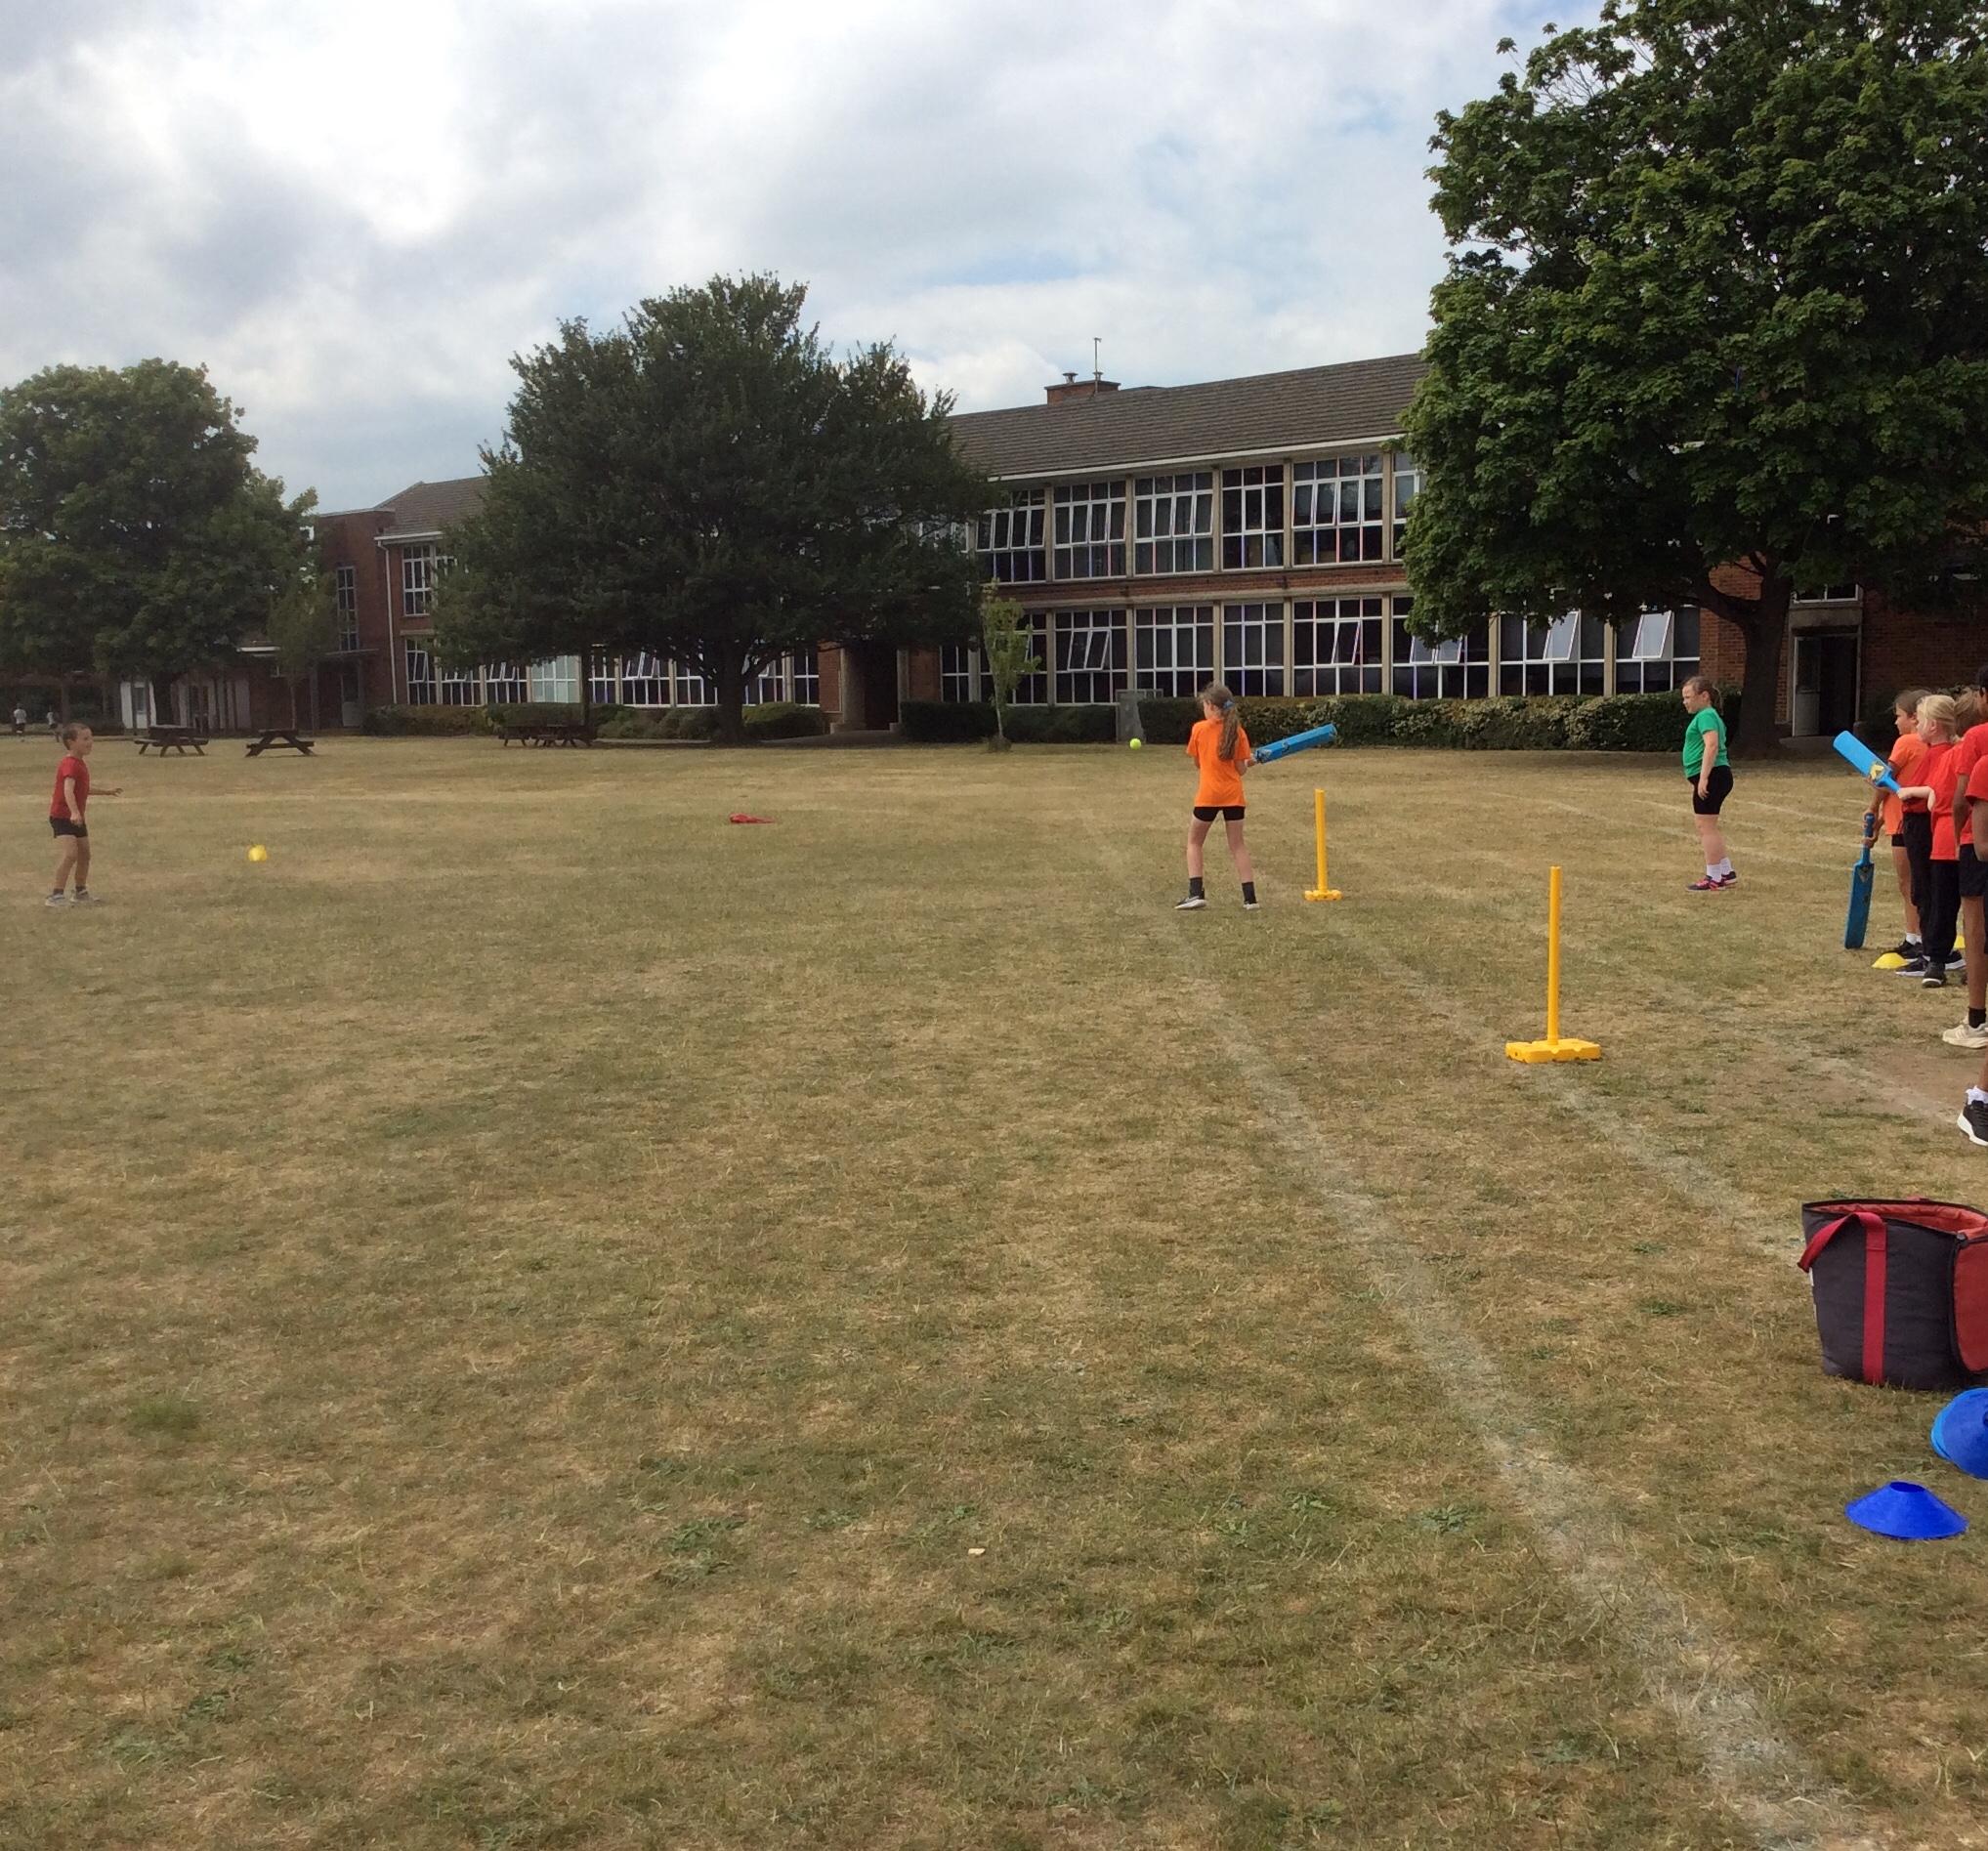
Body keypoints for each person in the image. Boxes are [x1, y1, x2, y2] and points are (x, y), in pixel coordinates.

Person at [1893, 694, 1961, 989]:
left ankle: (1934, 952)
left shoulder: (1944, 754)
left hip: (1926, 826)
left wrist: (1910, 792)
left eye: (1919, 720)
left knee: (1929, 890)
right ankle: (1932, 949)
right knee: (1925, 889)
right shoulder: (1934, 752)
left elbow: (1936, 792)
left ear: (1933, 725)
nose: (1915, 725)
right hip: (1921, 824)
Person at [1176, 682, 1258, 911]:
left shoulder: (1199, 729)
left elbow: (1198, 763)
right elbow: (1240, 769)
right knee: (1238, 845)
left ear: (1211, 706)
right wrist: (1249, 762)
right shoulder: (1238, 731)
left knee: (1194, 842)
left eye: (1204, 705)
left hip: (1208, 796)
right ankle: (1250, 898)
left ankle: (1195, 893)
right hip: (1234, 796)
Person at [1947, 667, 1988, 1050]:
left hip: (1980, 843)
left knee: (1975, 929)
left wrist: (1961, 833)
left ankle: (1977, 1017)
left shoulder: (1977, 737)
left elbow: (1962, 798)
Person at [1874, 689, 1928, 963]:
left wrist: (1873, 807)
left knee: (1908, 884)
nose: (1896, 722)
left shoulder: (1906, 742)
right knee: (1919, 882)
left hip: (1903, 821)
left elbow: (1884, 779)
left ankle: (1915, 937)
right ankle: (1918, 936)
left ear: (1915, 717)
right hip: (1922, 817)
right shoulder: (1933, 744)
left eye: (1899, 716)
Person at [46, 723, 120, 907]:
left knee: (85, 854)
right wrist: (74, 812)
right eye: (85, 739)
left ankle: (80, 892)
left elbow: (83, 789)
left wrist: (107, 792)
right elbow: (68, 790)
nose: (90, 742)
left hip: (75, 816)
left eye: (91, 738)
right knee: (71, 854)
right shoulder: (70, 764)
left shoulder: (80, 763)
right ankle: (55, 896)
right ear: (71, 742)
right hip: (62, 816)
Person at [1679, 675, 1735, 890]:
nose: (1685, 702)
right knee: (1709, 826)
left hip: (1714, 775)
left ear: (1704, 696)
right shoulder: (1707, 716)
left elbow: (1711, 745)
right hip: (1716, 775)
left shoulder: (1706, 716)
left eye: (1688, 697)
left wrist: (1703, 778)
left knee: (1706, 827)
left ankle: (1714, 877)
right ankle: (1726, 871)